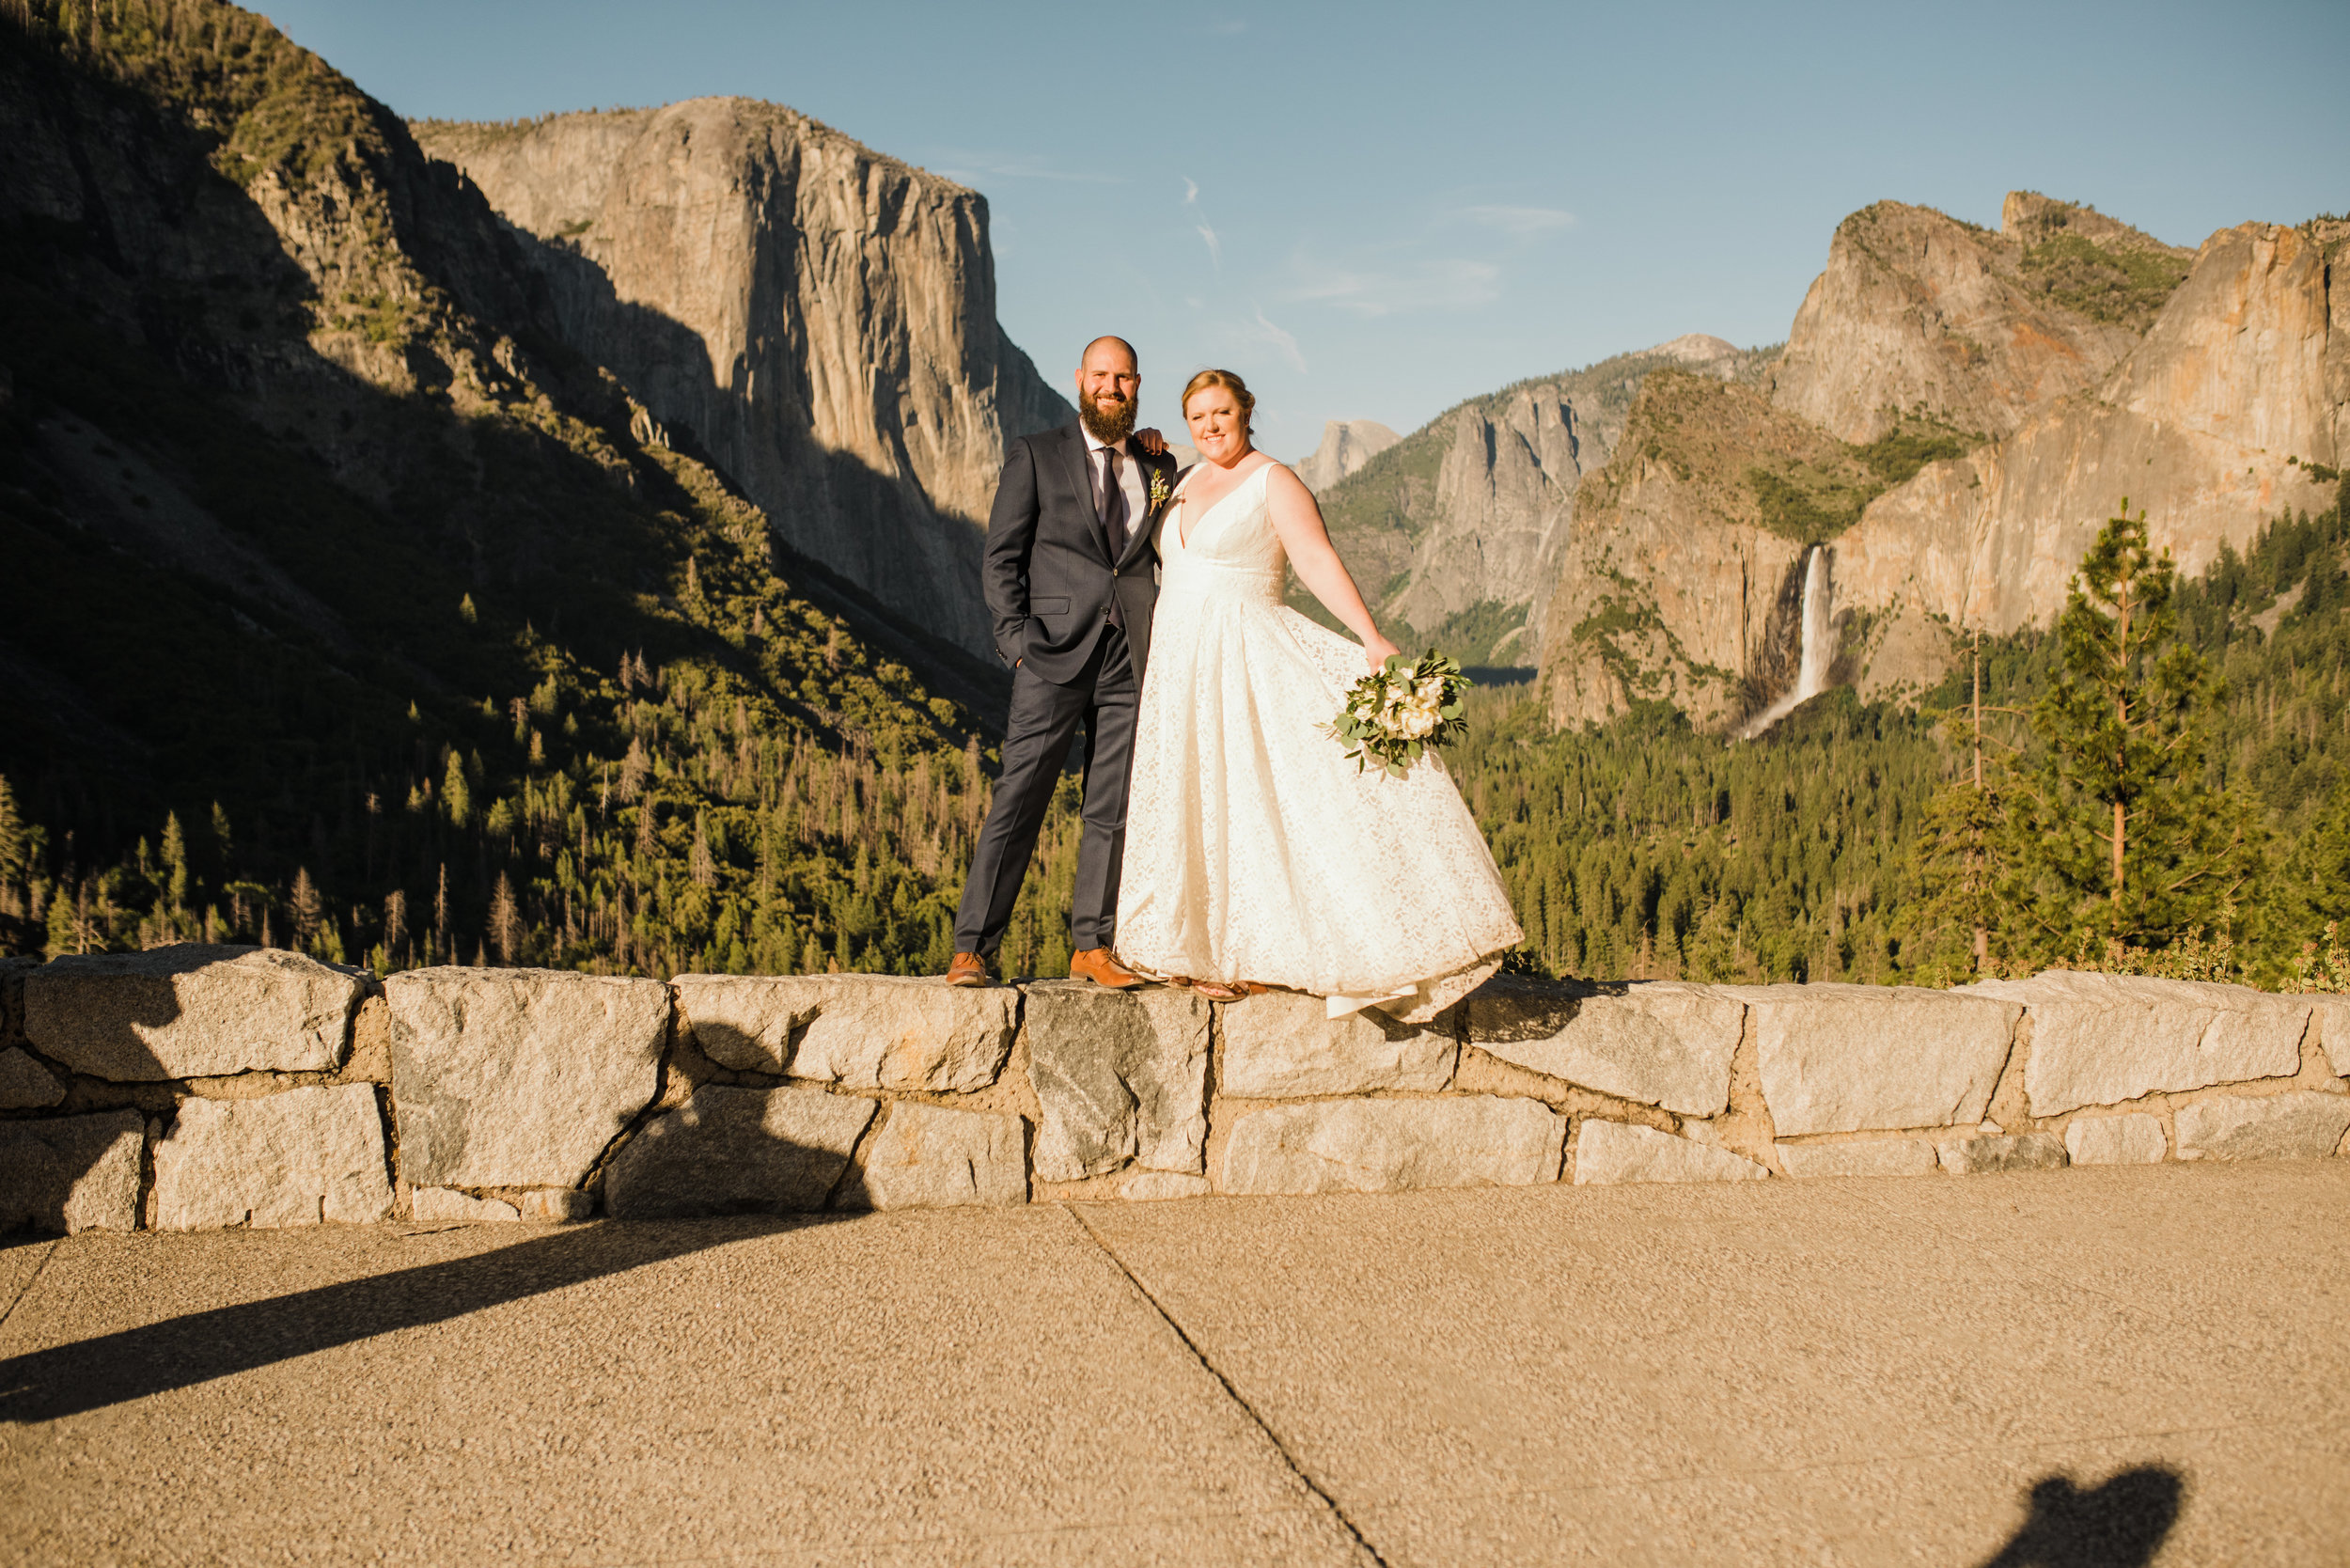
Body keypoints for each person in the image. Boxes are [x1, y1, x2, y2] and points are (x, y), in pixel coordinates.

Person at [1115, 368, 1523, 1018]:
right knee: (1191, 789)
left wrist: (1370, 636)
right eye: (1198, 417)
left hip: (1242, 652)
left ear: (1247, 412)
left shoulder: (1275, 480)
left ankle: (1242, 951)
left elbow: (1315, 559)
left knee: (1250, 795)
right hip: (1179, 661)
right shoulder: (1184, 478)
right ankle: (1188, 944)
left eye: (1222, 412)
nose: (1211, 426)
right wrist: (1146, 450)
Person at [945, 337, 1179, 987]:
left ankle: (1092, 946)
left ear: (1138, 383)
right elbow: (1001, 557)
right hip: (1050, 652)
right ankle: (972, 947)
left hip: (1131, 657)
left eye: (1124, 377)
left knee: (1113, 806)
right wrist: (1016, 643)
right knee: (1019, 797)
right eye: (1102, 375)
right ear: (1080, 379)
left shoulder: (1159, 468)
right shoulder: (1036, 453)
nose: (1113, 386)